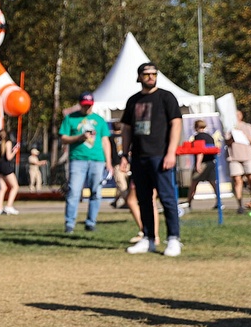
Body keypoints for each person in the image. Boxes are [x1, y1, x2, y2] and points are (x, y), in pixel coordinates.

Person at [121, 62, 183, 257]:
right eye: (146, 74)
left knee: (167, 198)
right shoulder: (133, 101)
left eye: (153, 74)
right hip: (139, 157)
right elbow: (127, 130)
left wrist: (171, 152)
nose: (150, 77)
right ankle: (148, 239)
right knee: (144, 200)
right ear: (139, 77)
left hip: (161, 156)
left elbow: (176, 124)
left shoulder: (166, 97)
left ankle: (173, 239)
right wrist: (124, 154)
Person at [59, 92, 112, 233]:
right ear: (80, 104)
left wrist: (109, 161)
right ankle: (70, 223)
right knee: (74, 192)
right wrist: (79, 137)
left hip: (97, 160)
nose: (87, 108)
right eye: (84, 105)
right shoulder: (70, 118)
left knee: (96, 192)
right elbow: (63, 138)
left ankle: (91, 222)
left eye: (89, 105)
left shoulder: (100, 120)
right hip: (77, 159)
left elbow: (106, 141)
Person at [185, 119, 218, 210]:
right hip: (211, 162)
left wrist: (198, 164)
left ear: (196, 127)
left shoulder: (198, 137)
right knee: (213, 183)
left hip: (202, 163)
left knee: (194, 183)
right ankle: (219, 201)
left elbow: (200, 151)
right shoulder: (210, 137)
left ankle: (189, 203)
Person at [0, 129, 20, 215]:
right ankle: (9, 206)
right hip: (6, 166)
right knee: (15, 187)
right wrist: (14, 151)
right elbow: (8, 157)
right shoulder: (8, 142)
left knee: (3, 188)